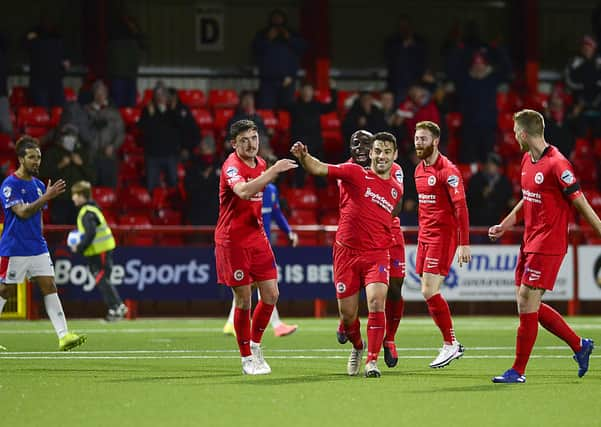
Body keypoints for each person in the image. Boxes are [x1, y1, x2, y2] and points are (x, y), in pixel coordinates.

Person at [489, 109, 599, 383]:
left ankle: (518, 370)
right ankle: (579, 345)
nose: (514, 137)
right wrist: (506, 223)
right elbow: (528, 198)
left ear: (524, 134)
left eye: (515, 133)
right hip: (529, 240)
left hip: (549, 242)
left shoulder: (558, 164)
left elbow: (582, 204)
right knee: (527, 304)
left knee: (527, 301)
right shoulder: (528, 159)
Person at [291, 131, 403, 378]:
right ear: (372, 153)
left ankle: (372, 362)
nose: (381, 156)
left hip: (376, 254)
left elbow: (393, 214)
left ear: (394, 156)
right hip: (346, 253)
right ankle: (358, 347)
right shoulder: (354, 172)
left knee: (376, 302)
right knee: (348, 315)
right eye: (377, 151)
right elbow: (320, 169)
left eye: (387, 152)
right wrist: (304, 156)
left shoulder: (396, 188)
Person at [214, 119, 297, 375]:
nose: (251, 144)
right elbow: (243, 192)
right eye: (244, 140)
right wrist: (273, 171)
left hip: (257, 237)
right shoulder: (231, 166)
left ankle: (256, 345)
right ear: (234, 143)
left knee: (271, 294)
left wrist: (268, 170)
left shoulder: (260, 163)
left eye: (254, 138)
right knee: (243, 299)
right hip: (233, 241)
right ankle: (246, 357)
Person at [0, 136, 86, 351]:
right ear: (21, 159)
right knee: (5, 290)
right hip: (14, 248)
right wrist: (46, 197)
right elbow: (22, 212)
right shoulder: (10, 184)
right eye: (31, 157)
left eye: (38, 157)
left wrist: (40, 236)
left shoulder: (39, 185)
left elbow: (37, 217)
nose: (36, 161)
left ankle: (64, 336)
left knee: (49, 286)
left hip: (37, 247)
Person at [334, 130, 407, 369]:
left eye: (367, 144)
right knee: (353, 302)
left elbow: (395, 206)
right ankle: (349, 321)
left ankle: (390, 339)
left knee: (395, 286)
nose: (362, 149)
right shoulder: (348, 170)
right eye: (356, 144)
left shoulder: (393, 169)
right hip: (356, 237)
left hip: (389, 232)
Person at [413, 120, 471, 368]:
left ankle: (451, 344)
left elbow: (461, 208)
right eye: (416, 138)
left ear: (435, 141)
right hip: (424, 237)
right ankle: (450, 343)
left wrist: (464, 243)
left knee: (428, 290)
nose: (418, 142)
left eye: (423, 139)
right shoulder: (418, 170)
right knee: (425, 289)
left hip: (443, 237)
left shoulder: (448, 171)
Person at [223, 154, 299, 338]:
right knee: (256, 286)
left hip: (262, 243)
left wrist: (288, 232)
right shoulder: (250, 188)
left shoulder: (271, 190)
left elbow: (276, 213)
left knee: (256, 286)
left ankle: (233, 323)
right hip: (244, 243)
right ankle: (274, 324)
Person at [69, 180, 127, 321]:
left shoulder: (87, 212)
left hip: (99, 251)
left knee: (102, 278)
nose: (73, 198)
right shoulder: (91, 209)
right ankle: (115, 309)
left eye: (75, 194)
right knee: (102, 279)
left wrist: (79, 247)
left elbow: (91, 233)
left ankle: (117, 307)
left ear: (83, 196)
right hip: (100, 250)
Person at [252, 9, 307, 109]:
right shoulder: (263, 34)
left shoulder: (292, 34)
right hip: (267, 80)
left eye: (279, 18)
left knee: (287, 110)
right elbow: (255, 49)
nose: (277, 21)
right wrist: (268, 39)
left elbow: (302, 48)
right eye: (275, 18)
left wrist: (289, 38)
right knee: (266, 109)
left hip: (287, 80)